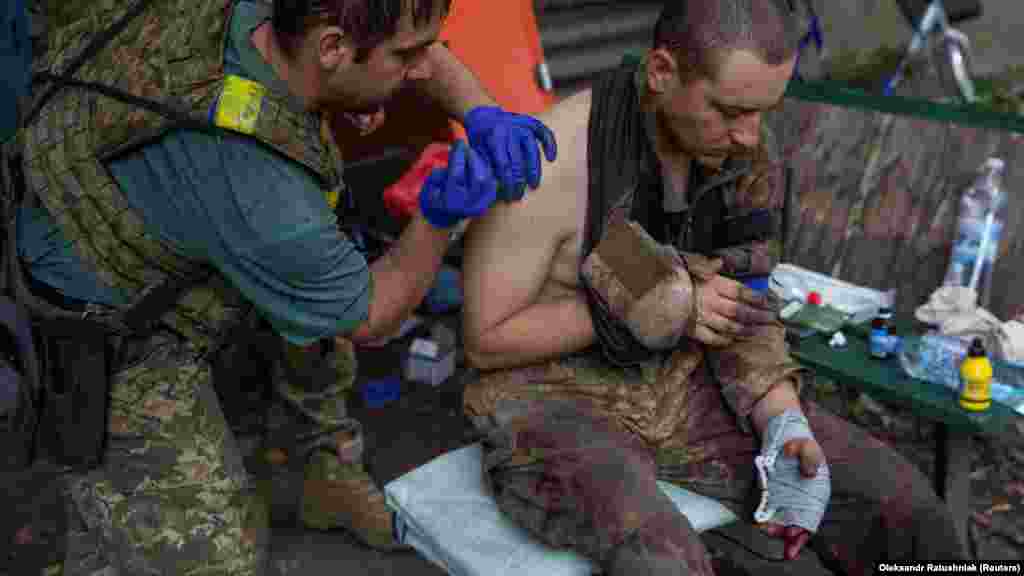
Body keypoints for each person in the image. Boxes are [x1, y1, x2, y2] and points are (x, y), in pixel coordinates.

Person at [15, 0, 556, 573]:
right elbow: (371, 314)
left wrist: (481, 112)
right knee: (212, 559)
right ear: (331, 49)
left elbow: (407, 43)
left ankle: (320, 468)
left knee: (320, 293)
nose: (426, 66)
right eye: (407, 56)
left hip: (121, 180)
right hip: (104, 324)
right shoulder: (259, 194)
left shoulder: (279, 19)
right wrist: (436, 220)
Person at [459, 0, 969, 574]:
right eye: (730, 111)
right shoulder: (553, 161)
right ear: (661, 73)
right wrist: (638, 311)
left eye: (762, 111)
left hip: (681, 383)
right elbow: (484, 341)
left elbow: (746, 305)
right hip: (552, 401)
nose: (750, 136)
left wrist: (782, 424)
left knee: (902, 506)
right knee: (663, 557)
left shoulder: (742, 149)